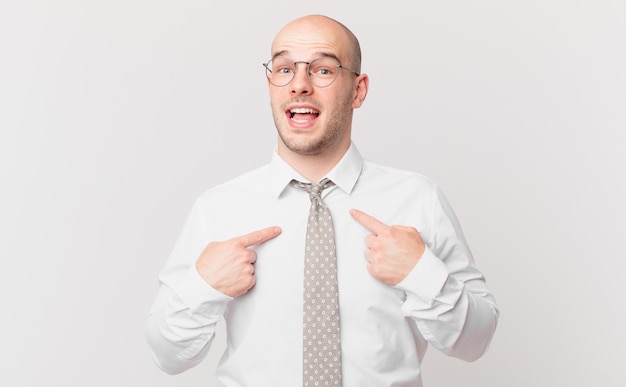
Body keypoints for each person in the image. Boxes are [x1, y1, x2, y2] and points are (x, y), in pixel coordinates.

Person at [146, 14, 498, 387]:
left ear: (358, 90)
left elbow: (476, 343)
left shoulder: (417, 199)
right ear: (270, 84)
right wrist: (204, 285)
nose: (299, 85)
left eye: (323, 70)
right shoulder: (218, 209)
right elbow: (166, 355)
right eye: (284, 69)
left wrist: (422, 273)